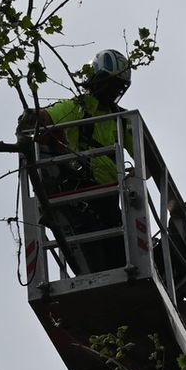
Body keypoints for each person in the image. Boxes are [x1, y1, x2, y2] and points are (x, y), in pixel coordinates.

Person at [18, 49, 135, 273]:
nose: (112, 92)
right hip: (83, 191)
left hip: (110, 194)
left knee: (121, 249)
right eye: (109, 84)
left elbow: (147, 162)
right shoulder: (77, 108)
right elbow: (47, 117)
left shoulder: (122, 120)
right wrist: (32, 117)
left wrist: (135, 175)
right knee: (98, 249)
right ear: (95, 80)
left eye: (117, 87)